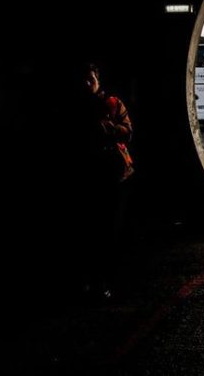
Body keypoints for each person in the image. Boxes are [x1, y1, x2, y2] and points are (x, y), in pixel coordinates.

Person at [75, 62, 135, 300]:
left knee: (107, 228)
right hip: (87, 174)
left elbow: (128, 131)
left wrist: (108, 127)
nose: (87, 84)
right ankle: (91, 280)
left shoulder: (112, 104)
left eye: (91, 79)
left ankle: (102, 280)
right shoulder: (75, 108)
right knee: (89, 228)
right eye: (84, 80)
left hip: (112, 173)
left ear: (99, 81)